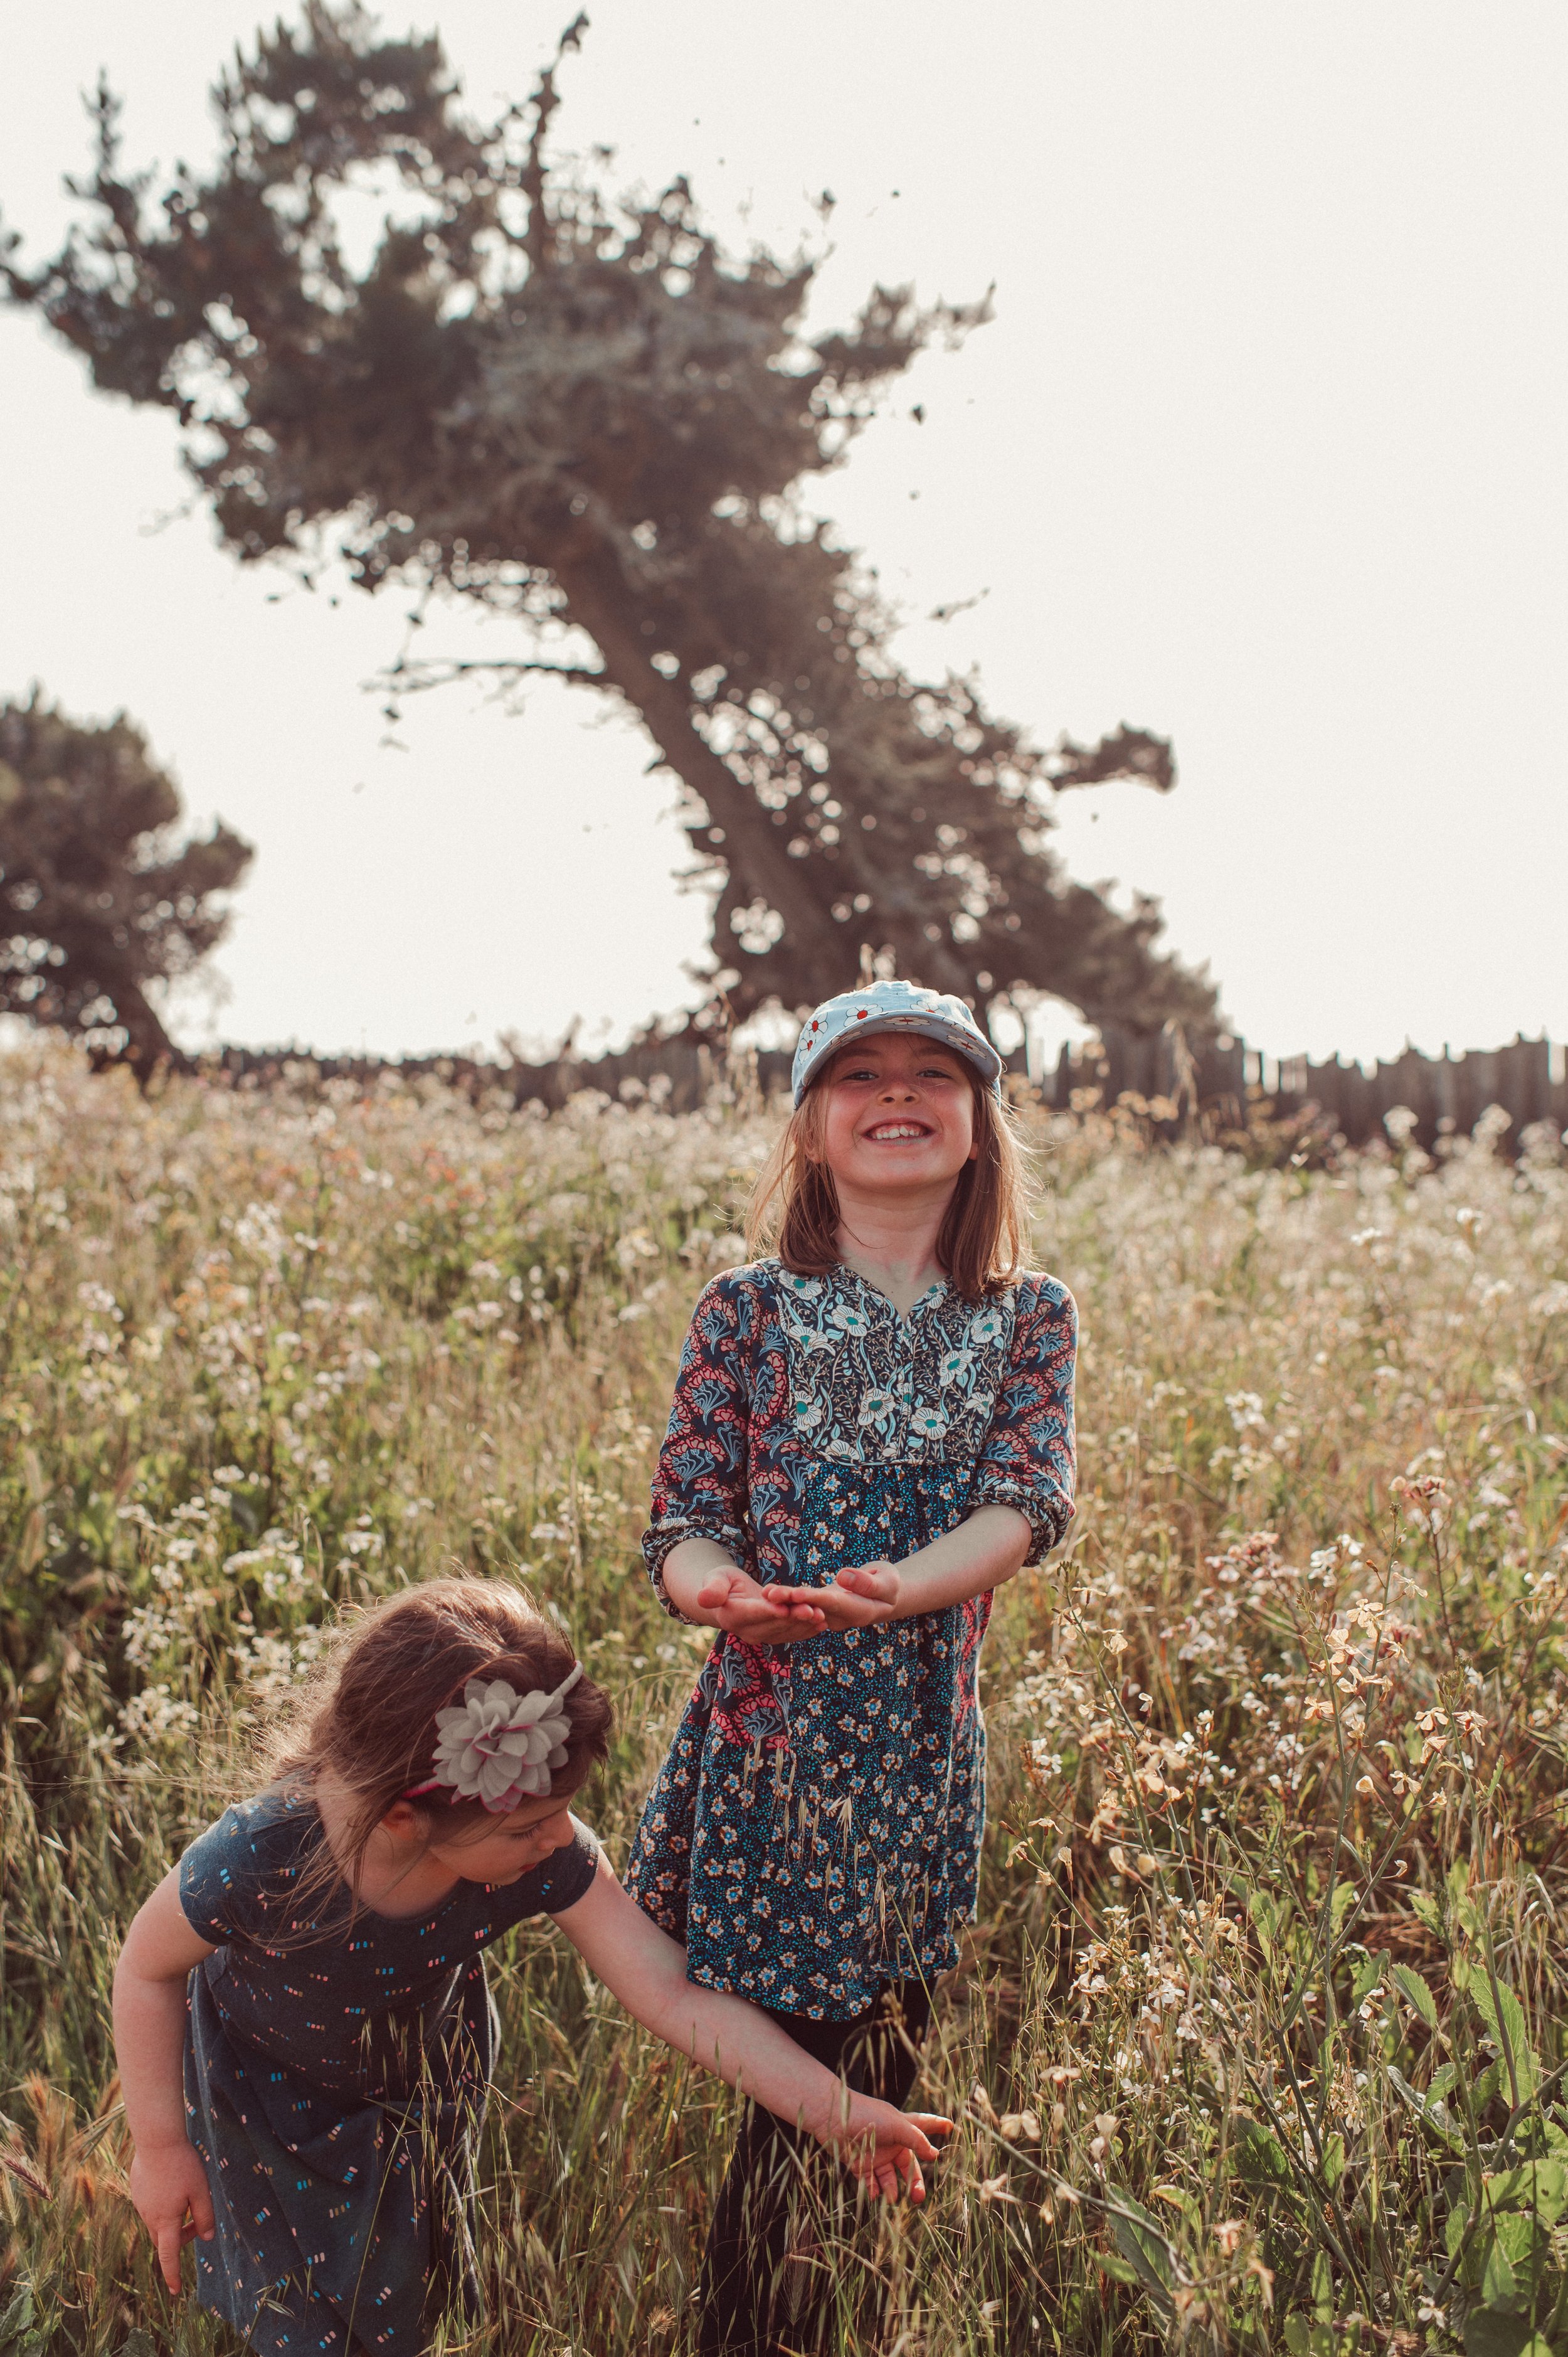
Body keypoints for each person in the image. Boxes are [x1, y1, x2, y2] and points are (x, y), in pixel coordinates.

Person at [114, 1577, 950, 2354]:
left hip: (413, 2090)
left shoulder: (538, 1855)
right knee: (288, 2314)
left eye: (565, 1812)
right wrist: (158, 2145)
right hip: (258, 2098)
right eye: (530, 1825)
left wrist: (832, 2110)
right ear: (406, 1816)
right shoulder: (263, 1855)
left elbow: (668, 1989)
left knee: (403, 2297)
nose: (561, 1838)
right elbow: (146, 1968)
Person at [626, 978, 1078, 2357]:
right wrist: (718, 1591)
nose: (894, 1093)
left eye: (929, 1074)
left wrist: (898, 1593)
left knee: (882, 2079)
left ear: (979, 1124)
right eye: (857, 1074)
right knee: (787, 2106)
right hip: (768, 1758)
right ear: (811, 1128)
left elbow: (1024, 1503)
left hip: (916, 1762)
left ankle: (836, 2319)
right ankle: (758, 2330)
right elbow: (684, 1514)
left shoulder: (1026, 1314)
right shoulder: (748, 1309)